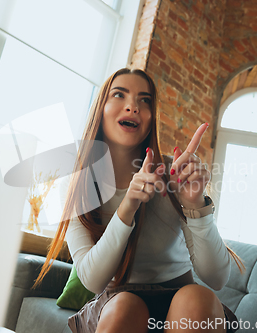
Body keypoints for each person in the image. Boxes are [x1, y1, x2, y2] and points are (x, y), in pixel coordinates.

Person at [34, 68, 244, 333]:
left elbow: (216, 278)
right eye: (119, 95)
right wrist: (128, 205)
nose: (133, 106)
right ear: (101, 108)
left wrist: (195, 203)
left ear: (151, 117)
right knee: (124, 307)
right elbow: (92, 280)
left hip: (181, 297)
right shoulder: (76, 185)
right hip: (116, 302)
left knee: (197, 298)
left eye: (144, 100)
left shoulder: (173, 173)